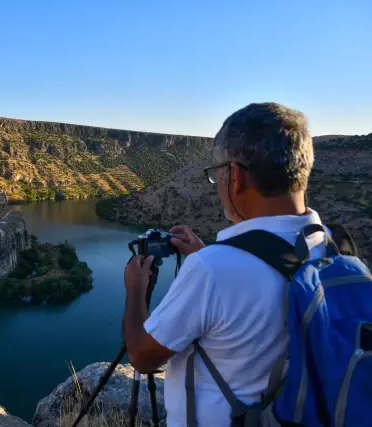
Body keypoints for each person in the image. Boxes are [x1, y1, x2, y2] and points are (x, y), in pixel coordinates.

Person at [123, 102, 325, 426]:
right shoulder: (332, 247)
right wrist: (207, 252)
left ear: (234, 176)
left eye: (215, 175)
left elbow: (143, 356)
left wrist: (135, 289)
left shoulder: (212, 270)